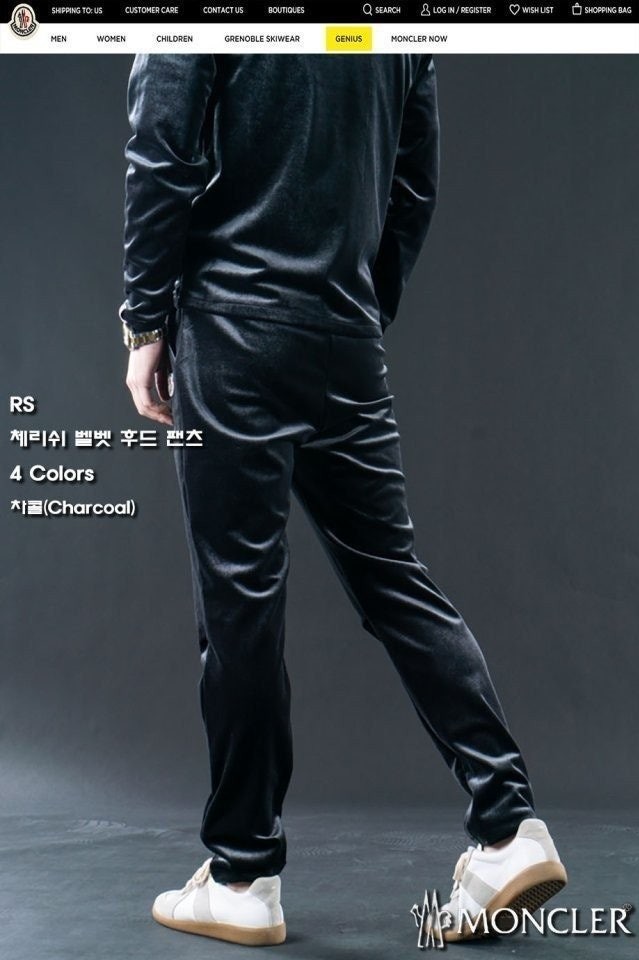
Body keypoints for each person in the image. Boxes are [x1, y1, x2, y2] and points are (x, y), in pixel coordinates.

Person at [120, 53, 567, 946]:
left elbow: (160, 147)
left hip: (233, 323)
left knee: (239, 603)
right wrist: (354, 306)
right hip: (342, 329)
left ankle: (242, 874)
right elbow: (415, 179)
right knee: (395, 580)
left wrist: (144, 321)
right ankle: (510, 826)